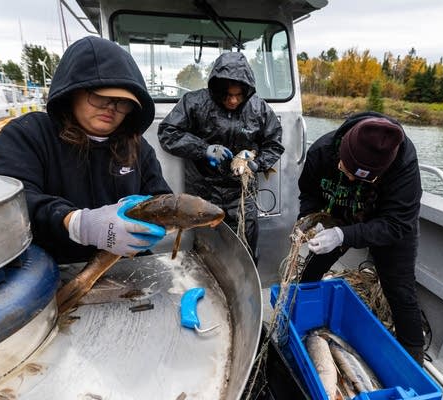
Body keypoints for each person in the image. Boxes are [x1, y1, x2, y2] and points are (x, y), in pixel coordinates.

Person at [0, 36, 172, 264]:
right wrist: (76, 223)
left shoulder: (138, 146)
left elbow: (161, 195)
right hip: (54, 266)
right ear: (73, 92)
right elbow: (3, 203)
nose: (111, 108)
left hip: (126, 261)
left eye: (123, 102)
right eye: (101, 96)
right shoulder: (28, 134)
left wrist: (158, 217)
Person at [298, 111, 425, 365]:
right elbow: (309, 193)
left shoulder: (404, 165)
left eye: (366, 177)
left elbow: (396, 224)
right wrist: (314, 220)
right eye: (349, 171)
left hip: (389, 222)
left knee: (400, 290)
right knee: (312, 268)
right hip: (341, 213)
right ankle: (299, 324)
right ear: (342, 152)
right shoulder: (322, 151)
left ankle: (414, 361)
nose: (353, 178)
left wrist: (343, 235)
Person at [157, 52, 284, 263]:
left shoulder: (259, 108)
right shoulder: (194, 102)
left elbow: (274, 144)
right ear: (216, 89)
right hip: (204, 192)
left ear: (247, 90)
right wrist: (203, 149)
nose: (233, 100)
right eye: (227, 95)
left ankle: (245, 287)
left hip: (242, 194)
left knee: (245, 249)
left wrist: (256, 162)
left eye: (239, 95)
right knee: (208, 249)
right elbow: (168, 133)